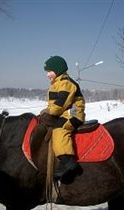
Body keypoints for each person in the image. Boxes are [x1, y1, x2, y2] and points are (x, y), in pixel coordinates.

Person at [40, 55, 85, 183]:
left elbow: (60, 104)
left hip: (73, 115)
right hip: (64, 113)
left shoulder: (66, 83)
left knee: (59, 129)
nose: (47, 75)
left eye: (49, 71)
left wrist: (49, 112)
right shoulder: (58, 83)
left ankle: (68, 161)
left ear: (58, 70)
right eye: (46, 72)